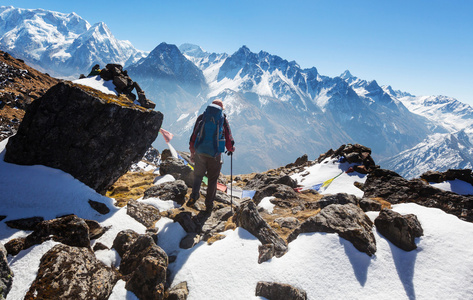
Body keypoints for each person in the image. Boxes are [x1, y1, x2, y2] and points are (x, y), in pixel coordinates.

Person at [188, 99, 235, 212]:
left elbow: (194, 135)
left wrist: (192, 152)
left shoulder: (202, 117)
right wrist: (231, 148)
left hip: (200, 153)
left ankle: (194, 195)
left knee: (198, 175)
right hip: (214, 155)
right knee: (212, 180)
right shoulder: (222, 120)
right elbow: (229, 137)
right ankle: (209, 204)